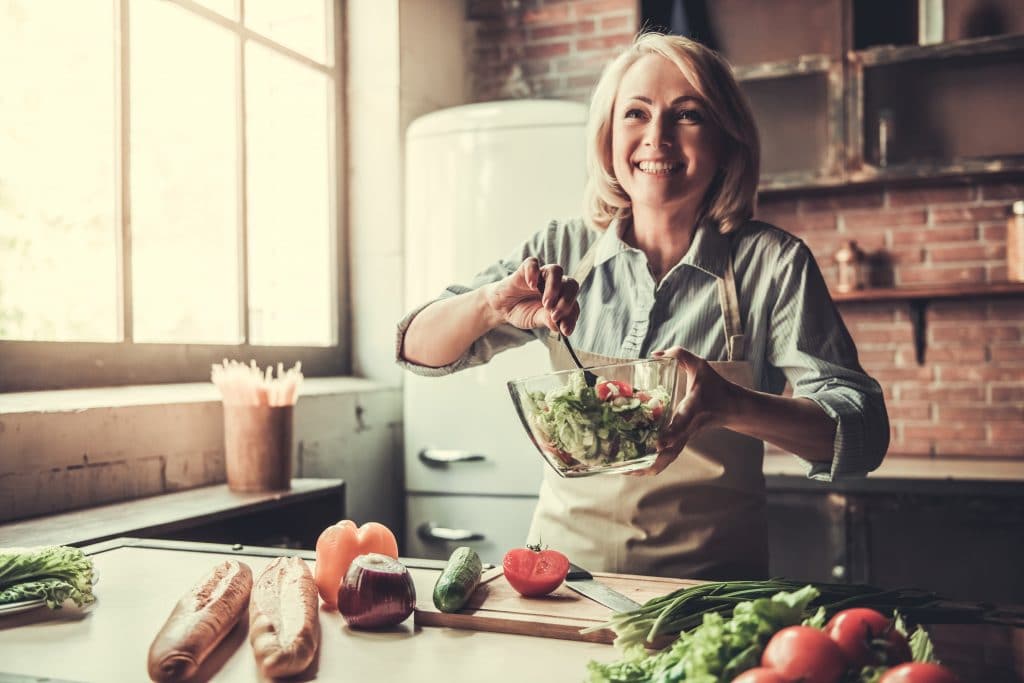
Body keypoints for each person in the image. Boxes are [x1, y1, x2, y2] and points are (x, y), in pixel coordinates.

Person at [395, 32, 889, 581]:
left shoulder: (772, 264)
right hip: (561, 585)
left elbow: (864, 434)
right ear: (608, 138)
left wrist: (731, 405)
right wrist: (490, 304)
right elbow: (416, 348)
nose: (657, 138)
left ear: (727, 142)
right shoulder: (563, 249)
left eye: (688, 115)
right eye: (636, 113)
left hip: (704, 599)